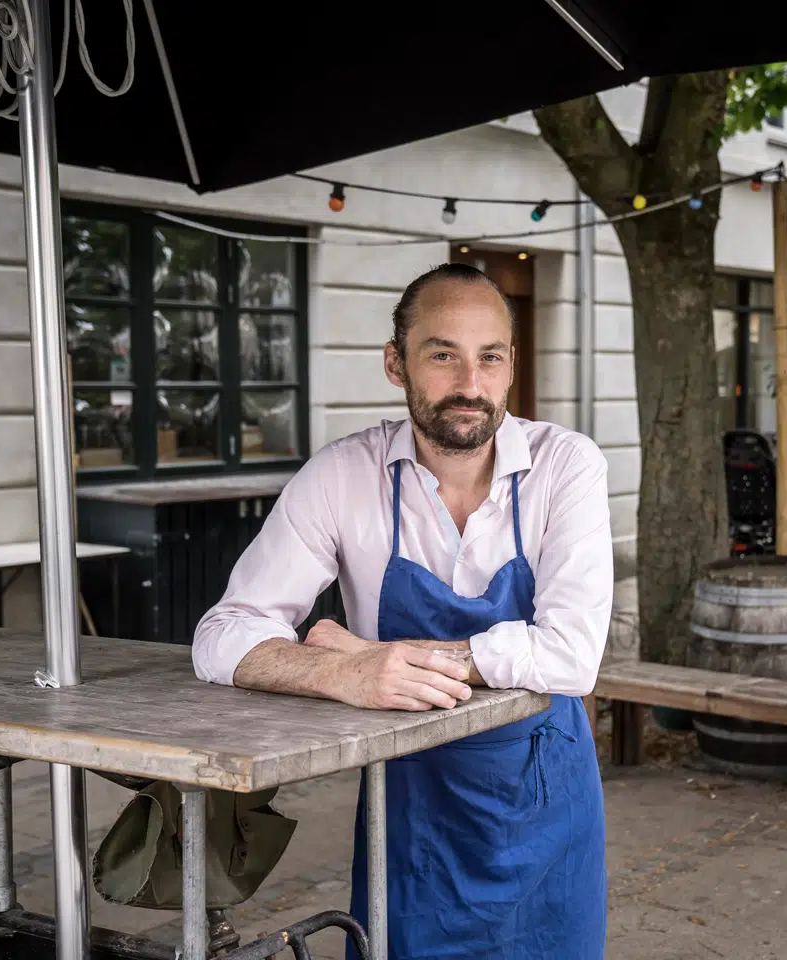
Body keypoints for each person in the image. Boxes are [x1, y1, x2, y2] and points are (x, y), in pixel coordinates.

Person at [192, 262, 612, 959]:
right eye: (442, 354)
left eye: (490, 358)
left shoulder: (565, 466)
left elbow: (571, 654)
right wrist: (340, 676)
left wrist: (372, 655)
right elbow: (222, 634)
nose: (469, 384)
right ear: (397, 363)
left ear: (512, 367)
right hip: (411, 810)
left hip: (546, 799)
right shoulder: (343, 476)